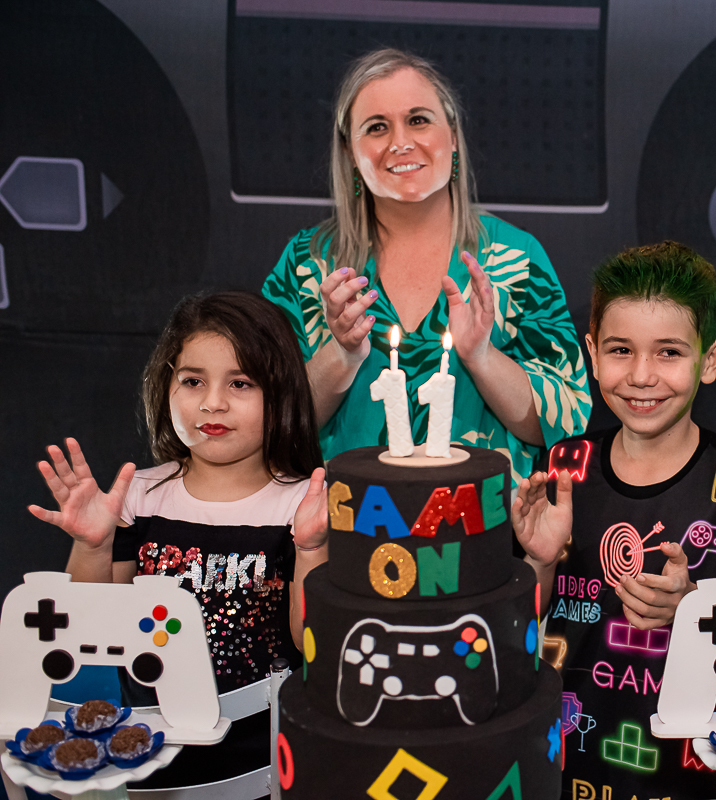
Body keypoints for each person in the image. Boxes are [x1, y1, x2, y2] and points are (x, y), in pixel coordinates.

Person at [516, 241, 716, 798]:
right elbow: (514, 629)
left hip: (699, 775)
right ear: (593, 354)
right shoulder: (565, 467)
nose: (641, 376)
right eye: (621, 350)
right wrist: (539, 564)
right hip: (570, 764)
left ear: (710, 359)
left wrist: (694, 607)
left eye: (668, 352)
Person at [29, 290, 329, 793]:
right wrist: (94, 546)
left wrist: (312, 548)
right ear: (165, 387)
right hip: (152, 764)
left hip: (268, 767)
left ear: (282, 395)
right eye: (193, 381)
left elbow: (312, 643)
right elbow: (89, 630)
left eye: (240, 383)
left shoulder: (303, 505)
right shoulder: (139, 495)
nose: (213, 403)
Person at [262, 48, 591, 483]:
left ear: (452, 135)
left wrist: (482, 357)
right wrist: (340, 353)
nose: (400, 142)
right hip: (348, 519)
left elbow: (564, 422)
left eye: (418, 120)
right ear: (349, 152)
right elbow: (268, 425)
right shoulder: (308, 262)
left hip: (480, 519)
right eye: (377, 127)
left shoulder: (516, 258)